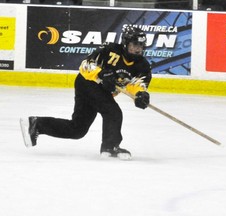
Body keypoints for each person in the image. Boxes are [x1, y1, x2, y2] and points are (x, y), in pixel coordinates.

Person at [20, 26, 152, 160]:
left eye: (141, 45)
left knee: (77, 130)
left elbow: (137, 85)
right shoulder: (110, 50)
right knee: (113, 112)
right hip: (87, 83)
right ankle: (110, 146)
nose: (138, 48)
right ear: (125, 43)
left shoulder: (143, 66)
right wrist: (101, 73)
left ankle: (36, 124)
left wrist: (140, 95)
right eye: (134, 44)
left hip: (100, 91)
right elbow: (85, 65)